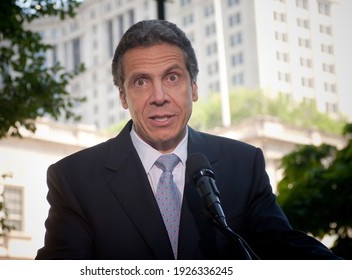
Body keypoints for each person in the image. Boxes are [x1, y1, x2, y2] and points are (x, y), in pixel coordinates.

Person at [36, 19, 340, 260]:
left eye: (172, 77)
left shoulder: (243, 164)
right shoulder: (74, 180)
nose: (159, 97)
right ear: (123, 97)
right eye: (141, 82)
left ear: (193, 87)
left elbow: (282, 246)